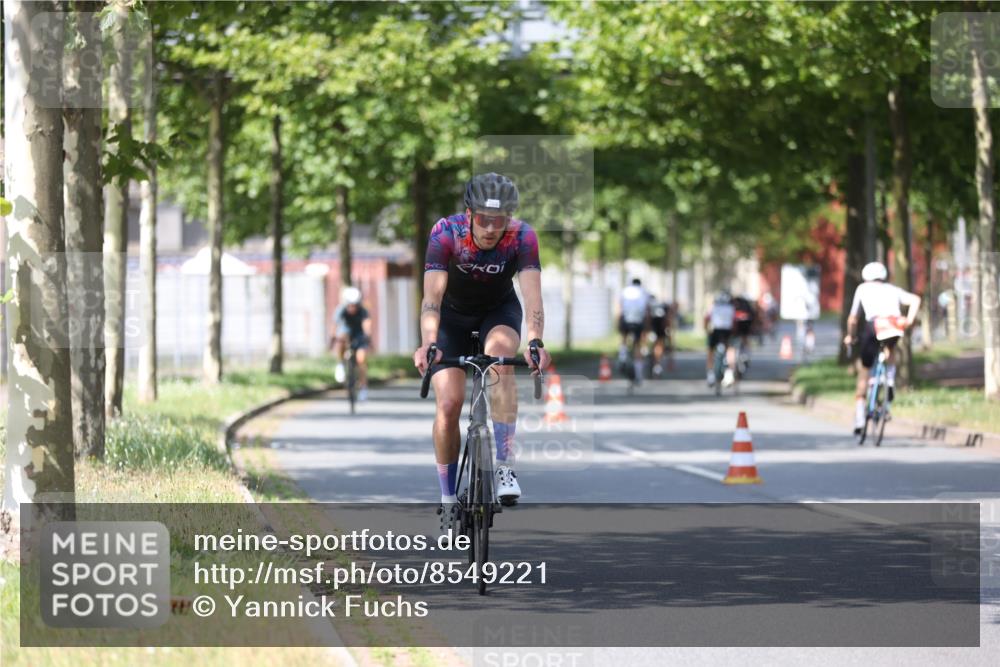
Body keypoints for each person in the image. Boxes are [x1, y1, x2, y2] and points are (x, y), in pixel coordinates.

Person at [412, 173, 551, 533]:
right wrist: (429, 342)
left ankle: (504, 465)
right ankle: (446, 499)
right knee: (448, 403)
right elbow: (432, 298)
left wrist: (535, 341)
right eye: (483, 219)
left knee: (501, 359)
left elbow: (533, 298)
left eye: (499, 220)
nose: (491, 228)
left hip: (498, 313)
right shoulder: (446, 233)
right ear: (469, 213)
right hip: (451, 319)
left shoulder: (522, 236)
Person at [843, 261, 921, 435]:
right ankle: (890, 380)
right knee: (889, 350)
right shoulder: (892, 289)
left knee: (864, 370)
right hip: (893, 325)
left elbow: (853, 318)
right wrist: (908, 320)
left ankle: (860, 416)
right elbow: (915, 299)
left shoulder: (863, 289)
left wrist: (850, 336)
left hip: (874, 325)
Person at [331, 286, 372, 401]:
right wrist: (333, 337)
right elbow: (334, 325)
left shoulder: (363, 311)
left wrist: (367, 336)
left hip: (359, 333)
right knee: (341, 338)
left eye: (355, 305)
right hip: (346, 331)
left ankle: (363, 388)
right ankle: (340, 365)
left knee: (361, 359)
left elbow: (367, 324)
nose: (352, 308)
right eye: (350, 305)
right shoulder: (341, 310)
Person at [618, 278, 652, 383]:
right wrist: (647, 326)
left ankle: (622, 357)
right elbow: (647, 310)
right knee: (638, 345)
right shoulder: (644, 292)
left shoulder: (625, 291)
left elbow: (619, 307)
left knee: (623, 337)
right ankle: (638, 373)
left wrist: (618, 321)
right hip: (638, 320)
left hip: (626, 318)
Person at [705, 289, 736, 387]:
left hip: (716, 331)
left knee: (710, 351)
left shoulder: (713, 307)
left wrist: (706, 329)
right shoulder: (731, 308)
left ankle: (710, 375)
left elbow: (706, 319)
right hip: (727, 332)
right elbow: (734, 322)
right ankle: (729, 374)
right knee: (730, 350)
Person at [731, 293, 756, 372]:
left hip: (737, 330)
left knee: (732, 346)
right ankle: (746, 355)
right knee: (745, 340)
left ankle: (743, 356)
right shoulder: (747, 307)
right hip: (745, 328)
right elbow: (753, 318)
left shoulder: (732, 306)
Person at [649, 299, 673, 376]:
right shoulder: (665, 310)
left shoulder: (651, 307)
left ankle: (656, 363)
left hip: (654, 326)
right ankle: (657, 364)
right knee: (659, 344)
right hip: (658, 326)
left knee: (657, 344)